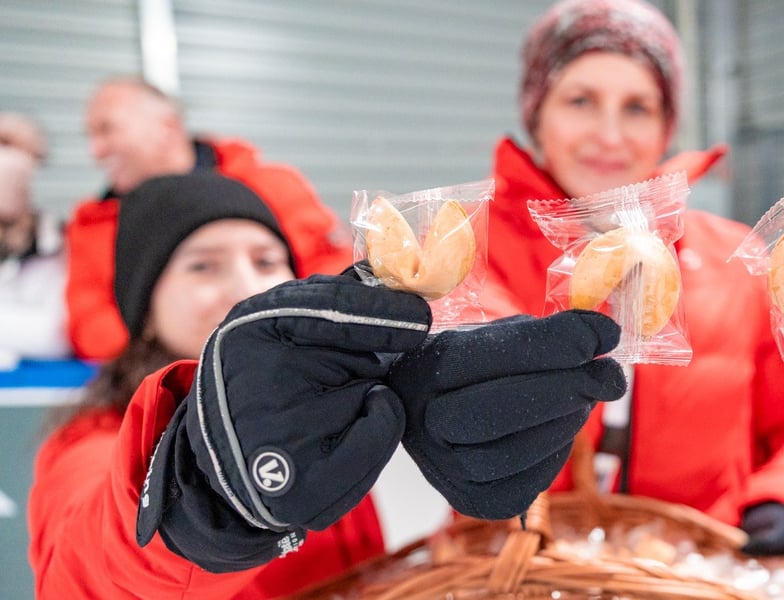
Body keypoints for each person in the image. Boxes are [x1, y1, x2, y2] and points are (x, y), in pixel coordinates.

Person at [28, 172, 627, 598]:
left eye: (267, 261)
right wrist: (203, 507)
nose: (244, 285)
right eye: (203, 265)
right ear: (144, 312)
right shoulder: (92, 443)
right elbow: (85, 575)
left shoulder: (335, 401)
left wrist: (470, 434)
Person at [483, 0, 784, 559]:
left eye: (638, 107)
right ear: (536, 113)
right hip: (514, 571)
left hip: (691, 572)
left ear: (667, 127)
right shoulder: (475, 252)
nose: (610, 135)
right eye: (580, 101)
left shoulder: (737, 257)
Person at [65, 76, 353, 360]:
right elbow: (89, 324)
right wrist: (183, 353)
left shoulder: (270, 186)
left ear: (166, 127)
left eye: (107, 130)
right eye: (202, 266)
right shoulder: (93, 225)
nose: (96, 151)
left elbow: (333, 276)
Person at [0, 113, 70, 365]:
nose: (11, 160)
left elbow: (59, 335)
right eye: (4, 143)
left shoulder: (59, 242)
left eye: (25, 151)